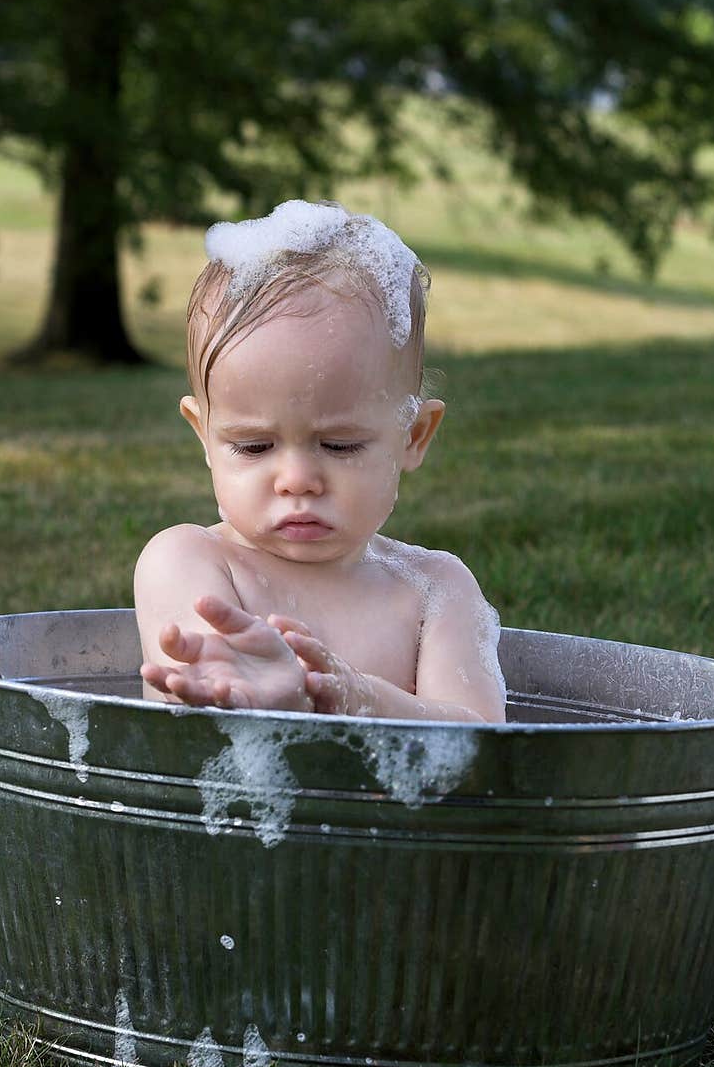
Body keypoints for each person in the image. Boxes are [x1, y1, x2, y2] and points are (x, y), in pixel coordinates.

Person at [134, 199, 506, 723]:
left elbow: (482, 746)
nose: (297, 480)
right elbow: (204, 691)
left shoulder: (435, 591)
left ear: (414, 436)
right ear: (205, 436)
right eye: (254, 447)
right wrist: (249, 688)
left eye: (341, 446)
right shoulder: (187, 561)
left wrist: (354, 696)